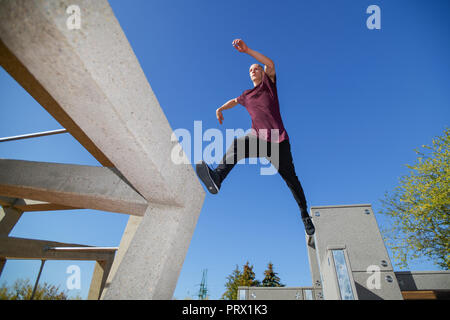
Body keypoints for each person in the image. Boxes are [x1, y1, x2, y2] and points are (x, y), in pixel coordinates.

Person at [196, 39, 315, 235]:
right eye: (251, 69)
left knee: (292, 180)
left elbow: (271, 64)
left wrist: (247, 51)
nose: (253, 70)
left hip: (279, 141)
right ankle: (217, 177)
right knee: (238, 144)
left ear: (262, 73)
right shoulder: (246, 94)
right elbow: (234, 101)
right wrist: (220, 108)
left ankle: (304, 214)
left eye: (256, 68)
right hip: (258, 138)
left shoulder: (269, 84)